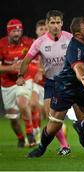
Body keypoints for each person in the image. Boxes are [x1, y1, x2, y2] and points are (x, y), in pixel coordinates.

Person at [17, 12, 84, 156]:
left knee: (82, 116)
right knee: (52, 120)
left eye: (58, 22)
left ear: (62, 23)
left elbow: (83, 54)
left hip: (76, 83)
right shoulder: (40, 42)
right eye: (52, 22)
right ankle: (58, 146)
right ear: (47, 24)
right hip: (54, 83)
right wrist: (21, 75)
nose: (56, 25)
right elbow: (27, 60)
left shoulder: (70, 38)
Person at [0, 18, 36, 147]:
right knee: (13, 118)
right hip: (7, 83)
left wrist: (39, 70)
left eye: (19, 30)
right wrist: (11, 68)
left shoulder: (27, 42)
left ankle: (30, 133)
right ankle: (21, 138)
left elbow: (40, 54)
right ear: (8, 32)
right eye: (14, 31)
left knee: (22, 102)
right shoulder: (1, 44)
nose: (17, 33)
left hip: (24, 79)